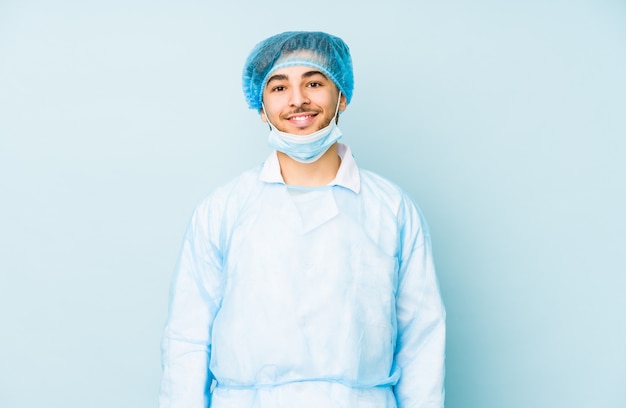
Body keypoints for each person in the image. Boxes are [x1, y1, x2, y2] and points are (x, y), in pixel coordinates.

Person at [159, 31, 446, 408]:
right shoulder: (224, 209)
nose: (298, 100)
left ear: (342, 95)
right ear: (260, 106)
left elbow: (421, 340)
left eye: (314, 82)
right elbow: (187, 338)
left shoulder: (391, 209)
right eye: (279, 87)